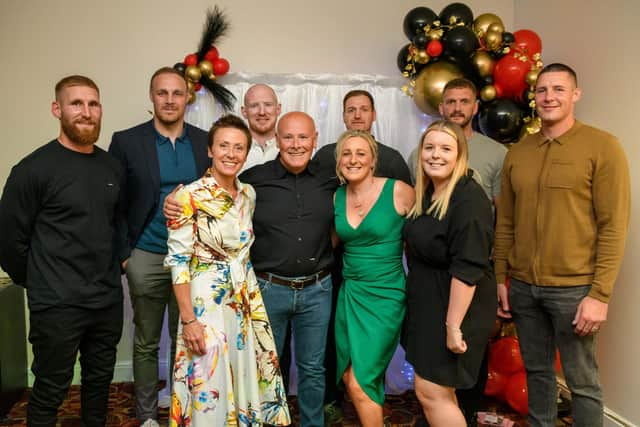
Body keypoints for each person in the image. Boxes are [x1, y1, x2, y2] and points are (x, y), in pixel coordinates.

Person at [494, 63, 630, 427]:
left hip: (575, 289)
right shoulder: (519, 152)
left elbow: (613, 226)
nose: (549, 97)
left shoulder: (602, 147)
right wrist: (501, 279)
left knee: (582, 381)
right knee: (538, 374)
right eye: (542, 90)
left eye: (558, 89)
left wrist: (599, 295)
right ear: (534, 98)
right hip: (522, 287)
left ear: (575, 95)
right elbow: (505, 222)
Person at [0, 75, 123, 426]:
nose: (86, 112)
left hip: (106, 299)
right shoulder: (31, 170)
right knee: (51, 388)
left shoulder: (111, 167)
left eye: (93, 103)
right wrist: (41, 282)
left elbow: (115, 226)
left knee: (99, 384)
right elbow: (9, 242)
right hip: (56, 303)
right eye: (76, 103)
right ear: (57, 109)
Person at [163, 114, 290, 425]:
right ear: (210, 150)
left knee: (247, 370)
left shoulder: (249, 194)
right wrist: (188, 319)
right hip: (205, 301)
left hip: (245, 297)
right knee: (211, 377)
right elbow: (178, 261)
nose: (231, 154)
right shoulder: (187, 196)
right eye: (223, 146)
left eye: (238, 148)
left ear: (246, 153)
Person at [109, 67, 211, 427]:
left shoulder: (203, 141)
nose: (170, 100)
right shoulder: (126, 141)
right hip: (146, 255)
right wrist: (125, 256)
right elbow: (114, 202)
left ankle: (185, 411)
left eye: (177, 93)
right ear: (152, 97)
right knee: (147, 341)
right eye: (162, 93)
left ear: (187, 98)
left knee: (186, 337)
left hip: (192, 259)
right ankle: (149, 416)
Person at [240, 112, 338, 427]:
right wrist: (177, 197)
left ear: (315, 139)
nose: (296, 145)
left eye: (303, 137)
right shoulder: (253, 179)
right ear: (277, 140)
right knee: (266, 368)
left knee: (313, 368)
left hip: (317, 289)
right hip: (269, 288)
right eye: (289, 137)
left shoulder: (331, 179)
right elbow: (216, 195)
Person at [403, 120, 496, 427]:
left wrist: (453, 326)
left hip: (457, 307)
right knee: (434, 391)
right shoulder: (427, 193)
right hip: (429, 303)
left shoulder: (469, 199)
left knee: (433, 391)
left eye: (445, 148)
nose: (435, 155)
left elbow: (468, 268)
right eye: (429, 148)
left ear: (460, 155)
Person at [333, 130, 414, 426]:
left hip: (385, 296)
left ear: (372, 161)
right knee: (349, 372)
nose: (353, 159)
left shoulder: (399, 191)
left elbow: (428, 232)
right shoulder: (336, 196)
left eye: (360, 153)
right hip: (350, 293)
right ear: (339, 160)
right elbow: (329, 243)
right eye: (346, 153)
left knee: (360, 380)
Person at [408, 78, 507, 204]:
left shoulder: (497, 153)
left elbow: (503, 213)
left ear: (475, 107)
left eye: (464, 102)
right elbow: (411, 205)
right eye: (451, 102)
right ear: (441, 108)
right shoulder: (420, 155)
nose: (457, 108)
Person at [313, 89, 412, 184]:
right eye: (351, 110)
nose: (357, 115)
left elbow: (408, 199)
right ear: (343, 116)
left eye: (364, 110)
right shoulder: (324, 156)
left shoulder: (392, 158)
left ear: (373, 115)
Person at [240, 83, 282, 171]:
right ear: (244, 112)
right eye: (254, 105)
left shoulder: (291, 148)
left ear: (278, 109)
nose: (262, 112)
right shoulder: (231, 149)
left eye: (268, 105)